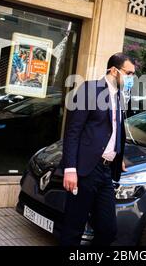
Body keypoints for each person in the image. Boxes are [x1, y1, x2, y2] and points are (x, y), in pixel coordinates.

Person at [59, 52, 136, 246]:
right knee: (73, 229)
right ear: (114, 70)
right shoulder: (89, 90)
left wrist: (118, 156)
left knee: (108, 230)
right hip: (85, 170)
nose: (131, 79)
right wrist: (70, 169)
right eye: (129, 73)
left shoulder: (119, 96)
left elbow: (114, 129)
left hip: (105, 172)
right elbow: (73, 132)